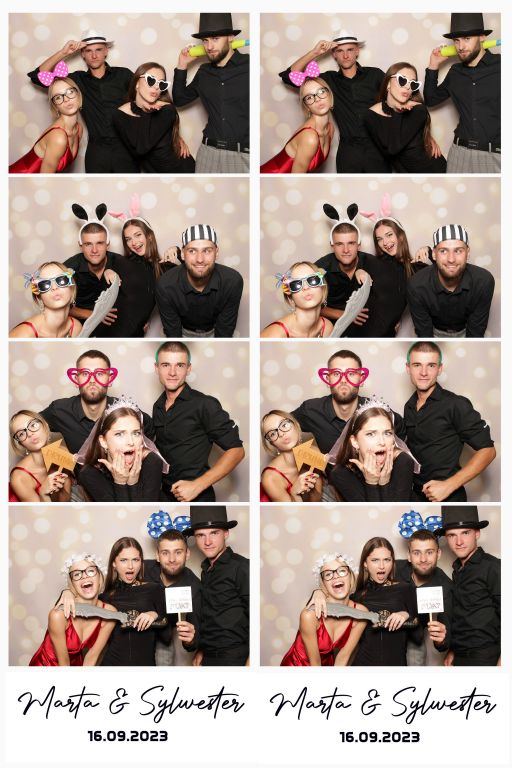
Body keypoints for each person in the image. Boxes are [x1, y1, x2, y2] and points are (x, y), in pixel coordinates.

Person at [27, 30, 138, 172]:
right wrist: (63, 53)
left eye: (98, 50)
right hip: (97, 152)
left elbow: (148, 95)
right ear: (82, 54)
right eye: (88, 51)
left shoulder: (124, 75)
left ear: (106, 51)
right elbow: (37, 77)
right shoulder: (76, 80)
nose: (94, 55)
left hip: (126, 149)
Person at [279, 33, 388, 172]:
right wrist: (314, 53)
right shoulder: (327, 80)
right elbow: (288, 77)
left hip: (378, 149)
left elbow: (396, 97)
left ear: (357, 51)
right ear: (334, 55)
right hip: (349, 152)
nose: (345, 55)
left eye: (350, 50)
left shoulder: (375, 75)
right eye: (340, 51)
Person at [153, 342, 245, 502]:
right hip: (164, 497)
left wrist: (197, 485)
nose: (172, 372)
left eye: (179, 365)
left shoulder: (205, 404)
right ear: (157, 368)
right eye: (166, 365)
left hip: (198, 497)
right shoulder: (158, 406)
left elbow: (237, 451)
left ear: (188, 369)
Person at [404, 341, 496, 502]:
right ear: (408, 368)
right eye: (417, 365)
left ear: (439, 369)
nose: (423, 372)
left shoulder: (456, 404)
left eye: (431, 365)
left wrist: (448, 485)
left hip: (449, 497)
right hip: (414, 496)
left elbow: (488, 451)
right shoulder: (409, 406)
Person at [61, 538, 168, 666]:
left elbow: (167, 636)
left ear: (141, 562)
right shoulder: (105, 598)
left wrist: (154, 614)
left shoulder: (154, 589)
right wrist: (67, 592)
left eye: (135, 560)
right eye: (123, 560)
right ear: (114, 564)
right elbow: (66, 612)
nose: (130, 566)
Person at [424, 13, 500, 173]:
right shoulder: (455, 72)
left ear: (482, 37)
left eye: (467, 39)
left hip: (493, 155)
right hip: (459, 153)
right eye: (456, 40)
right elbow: (430, 100)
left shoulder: (502, 66)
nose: (460, 46)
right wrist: (433, 65)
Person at [291, 349, 406, 455]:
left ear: (361, 379)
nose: (343, 380)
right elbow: (284, 425)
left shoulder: (378, 411)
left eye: (351, 374)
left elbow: (402, 433)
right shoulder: (310, 410)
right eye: (336, 374)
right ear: (327, 380)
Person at [173, 13, 249, 173]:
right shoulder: (204, 72)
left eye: (215, 39)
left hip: (241, 155)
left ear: (230, 37)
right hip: (208, 152)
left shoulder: (250, 66)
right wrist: (182, 65)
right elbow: (179, 100)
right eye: (205, 40)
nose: (209, 47)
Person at [40, 348, 153, 455]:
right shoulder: (59, 410)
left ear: (110, 379)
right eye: (85, 374)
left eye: (99, 374)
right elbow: (33, 425)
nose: (92, 380)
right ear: (76, 380)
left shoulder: (127, 411)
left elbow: (149, 431)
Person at [183, 506, 249, 666]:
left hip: (235, 657)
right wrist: (201, 649)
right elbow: (213, 617)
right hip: (209, 658)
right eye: (201, 535)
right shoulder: (205, 570)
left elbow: (256, 615)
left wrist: (251, 660)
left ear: (226, 533)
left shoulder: (242, 567)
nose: (207, 542)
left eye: (214, 533)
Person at [435, 506, 500, 665]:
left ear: (477, 533)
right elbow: (464, 616)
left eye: (465, 533)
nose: (459, 542)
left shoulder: (493, 567)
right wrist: (452, 650)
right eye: (452, 535)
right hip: (460, 657)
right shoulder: (457, 570)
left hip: (487, 657)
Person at [406, 224, 495, 338]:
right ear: (434, 254)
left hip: (467, 331)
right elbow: (424, 333)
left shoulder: (483, 282)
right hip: (432, 332)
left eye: (458, 251)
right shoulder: (416, 285)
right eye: (443, 251)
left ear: (468, 253)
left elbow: (476, 331)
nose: (451, 259)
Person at [155, 224, 243, 337]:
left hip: (215, 331)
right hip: (181, 331)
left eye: (207, 251)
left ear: (216, 253)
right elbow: (173, 333)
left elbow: (225, 330)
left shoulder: (232, 281)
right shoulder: (165, 285)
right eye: (192, 251)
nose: (200, 259)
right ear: (182, 254)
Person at [30, 554, 116, 666]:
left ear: (100, 577)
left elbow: (91, 657)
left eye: (90, 571)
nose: (84, 576)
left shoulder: (110, 614)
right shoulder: (58, 616)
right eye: (77, 574)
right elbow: (64, 663)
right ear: (73, 584)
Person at [281, 553, 368, 666]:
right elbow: (315, 663)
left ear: (350, 577)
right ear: (324, 584)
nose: (336, 576)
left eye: (342, 571)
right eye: (328, 574)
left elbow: (343, 657)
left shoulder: (361, 614)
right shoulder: (309, 616)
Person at [76, 397, 165, 502]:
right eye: (119, 434)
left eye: (136, 433)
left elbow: (146, 511)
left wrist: (133, 483)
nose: (130, 442)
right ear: (103, 441)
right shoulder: (89, 473)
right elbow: (119, 512)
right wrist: (120, 482)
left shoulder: (152, 462)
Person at [113, 62, 195, 174]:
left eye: (161, 84)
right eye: (151, 80)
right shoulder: (119, 114)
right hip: (155, 178)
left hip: (181, 172)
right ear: (137, 83)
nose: (156, 87)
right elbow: (134, 153)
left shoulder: (167, 110)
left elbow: (142, 148)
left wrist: (146, 111)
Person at [364, 62, 446, 173]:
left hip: (434, 172)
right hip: (408, 177)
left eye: (413, 84)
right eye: (402, 80)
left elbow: (393, 148)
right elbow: (387, 153)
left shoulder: (418, 110)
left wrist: (398, 111)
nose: (407, 87)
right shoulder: (371, 115)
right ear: (388, 84)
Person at [330, 400, 416, 502]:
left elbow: (398, 511)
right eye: (370, 434)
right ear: (355, 441)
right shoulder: (341, 473)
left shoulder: (403, 462)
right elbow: (371, 511)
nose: (382, 442)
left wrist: (384, 483)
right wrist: (371, 483)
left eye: (387, 433)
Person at [351, 538, 417, 666]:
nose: (381, 566)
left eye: (387, 560)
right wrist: (318, 593)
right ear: (365, 563)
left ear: (392, 562)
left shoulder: (406, 589)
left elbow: (418, 636)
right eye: (375, 560)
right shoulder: (357, 597)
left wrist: (406, 614)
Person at [364, 210, 429, 336]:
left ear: (400, 235)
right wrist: (359, 271)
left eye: (389, 235)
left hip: (387, 336)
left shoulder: (416, 269)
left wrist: (430, 251)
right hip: (362, 333)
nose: (385, 242)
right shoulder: (374, 263)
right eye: (379, 239)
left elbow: (446, 273)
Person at [395, 526, 452, 665]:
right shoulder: (394, 568)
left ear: (438, 554)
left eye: (429, 552)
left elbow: (447, 633)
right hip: (383, 633)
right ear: (409, 555)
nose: (423, 559)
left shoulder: (445, 588)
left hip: (414, 639)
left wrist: (441, 640)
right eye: (417, 553)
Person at [144, 528, 201, 666]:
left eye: (178, 552)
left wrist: (190, 640)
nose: (172, 559)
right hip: (132, 634)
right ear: (157, 555)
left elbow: (195, 635)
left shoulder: (194, 587)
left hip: (164, 640)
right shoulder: (143, 569)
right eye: (165, 553)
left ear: (187, 554)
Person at [260, 76, 334, 173]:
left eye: (321, 92)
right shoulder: (310, 137)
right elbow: (296, 179)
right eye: (309, 97)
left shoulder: (330, 128)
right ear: (307, 107)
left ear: (329, 94)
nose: (317, 99)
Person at [9, 77, 82, 173]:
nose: (66, 99)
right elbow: (45, 179)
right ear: (55, 106)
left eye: (70, 92)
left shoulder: (78, 129)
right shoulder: (58, 137)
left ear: (78, 94)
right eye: (58, 97)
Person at [118, 214, 175, 337]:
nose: (134, 242)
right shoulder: (124, 263)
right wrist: (108, 271)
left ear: (149, 236)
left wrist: (178, 251)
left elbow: (194, 275)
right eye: (128, 239)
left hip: (136, 335)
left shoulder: (164, 268)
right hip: (113, 332)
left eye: (138, 235)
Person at [9, 410, 71, 503]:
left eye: (33, 425)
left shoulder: (62, 451)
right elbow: (40, 511)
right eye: (21, 434)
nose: (30, 434)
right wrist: (43, 493)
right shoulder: (19, 477)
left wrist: (57, 485)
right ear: (21, 443)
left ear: (45, 425)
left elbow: (65, 501)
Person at [260, 410, 322, 502]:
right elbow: (292, 511)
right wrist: (294, 493)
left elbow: (316, 502)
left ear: (296, 425)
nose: (281, 434)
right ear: (272, 443)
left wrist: (314, 484)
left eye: (284, 425)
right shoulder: (270, 478)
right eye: (272, 434)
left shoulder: (313, 451)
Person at [10, 262, 82, 338]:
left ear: (71, 288)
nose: (54, 287)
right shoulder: (24, 334)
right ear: (39, 296)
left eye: (62, 280)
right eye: (44, 284)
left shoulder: (76, 328)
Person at [261, 262, 333, 338]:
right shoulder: (275, 335)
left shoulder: (327, 327)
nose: (306, 287)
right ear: (290, 297)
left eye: (313, 280)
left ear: (322, 287)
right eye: (296, 285)